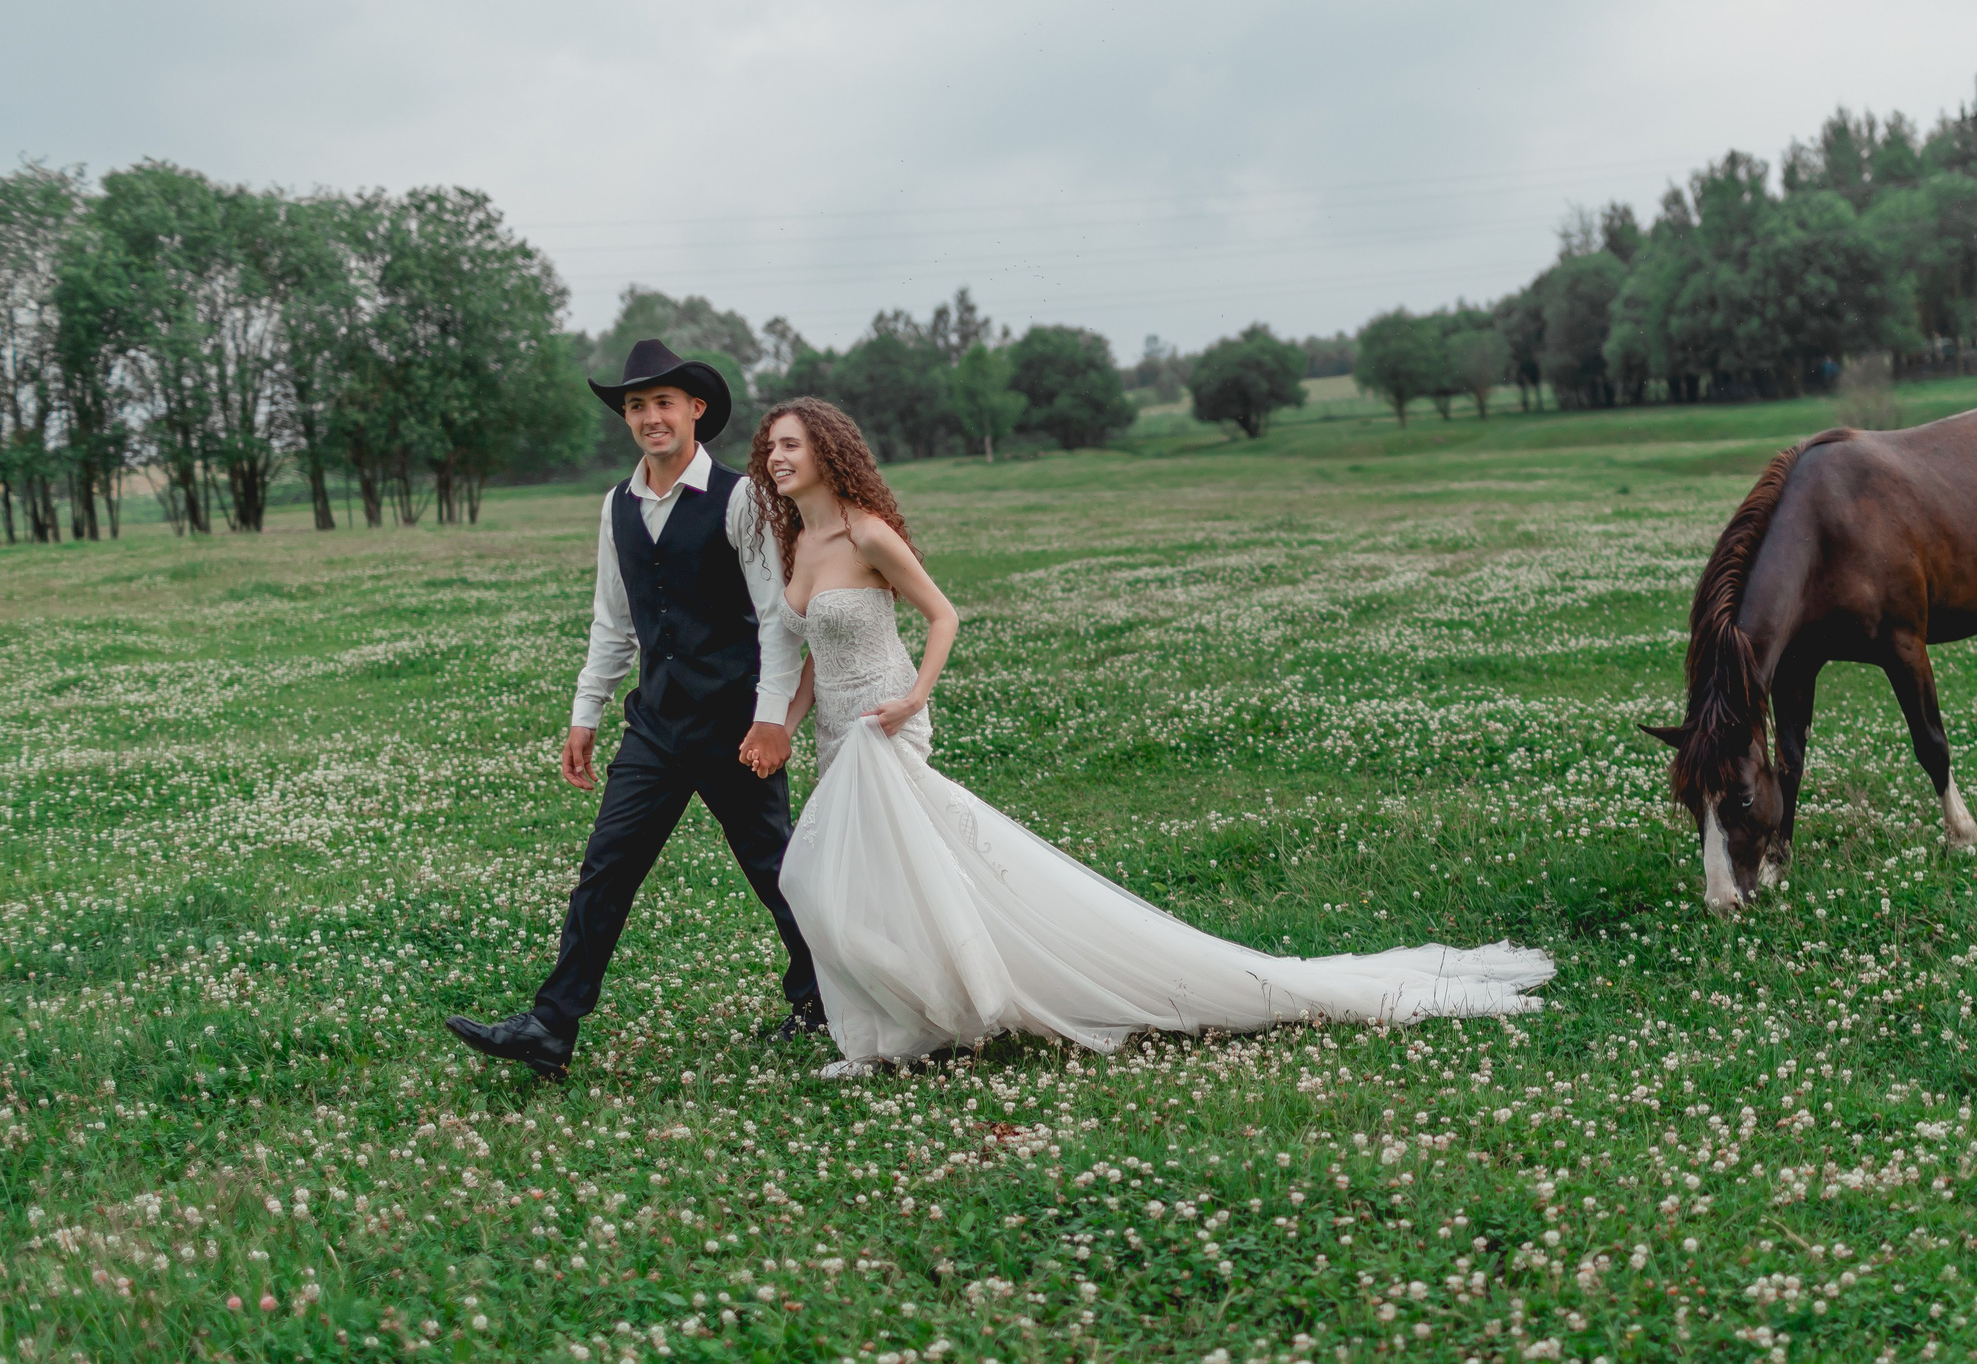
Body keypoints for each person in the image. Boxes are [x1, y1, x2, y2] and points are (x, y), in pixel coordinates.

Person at [745, 396, 1553, 1072]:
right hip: (838, 735)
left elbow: (943, 613)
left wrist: (915, 696)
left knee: (842, 875)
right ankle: (894, 1029)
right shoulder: (799, 545)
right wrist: (782, 721)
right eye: (770, 446)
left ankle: (920, 1022)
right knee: (849, 881)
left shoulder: (867, 532)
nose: (778, 455)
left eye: (791, 443)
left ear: (827, 450)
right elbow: (815, 650)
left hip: (888, 723)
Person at [446, 341, 826, 1078]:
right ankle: (552, 1025)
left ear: (696, 410)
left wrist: (773, 718)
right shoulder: (616, 504)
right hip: (655, 724)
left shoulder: (741, 496)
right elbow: (612, 620)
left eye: (663, 403)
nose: (650, 417)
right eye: (635, 406)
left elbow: (778, 617)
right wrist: (585, 712)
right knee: (606, 867)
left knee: (776, 867)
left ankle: (823, 1000)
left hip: (734, 722)